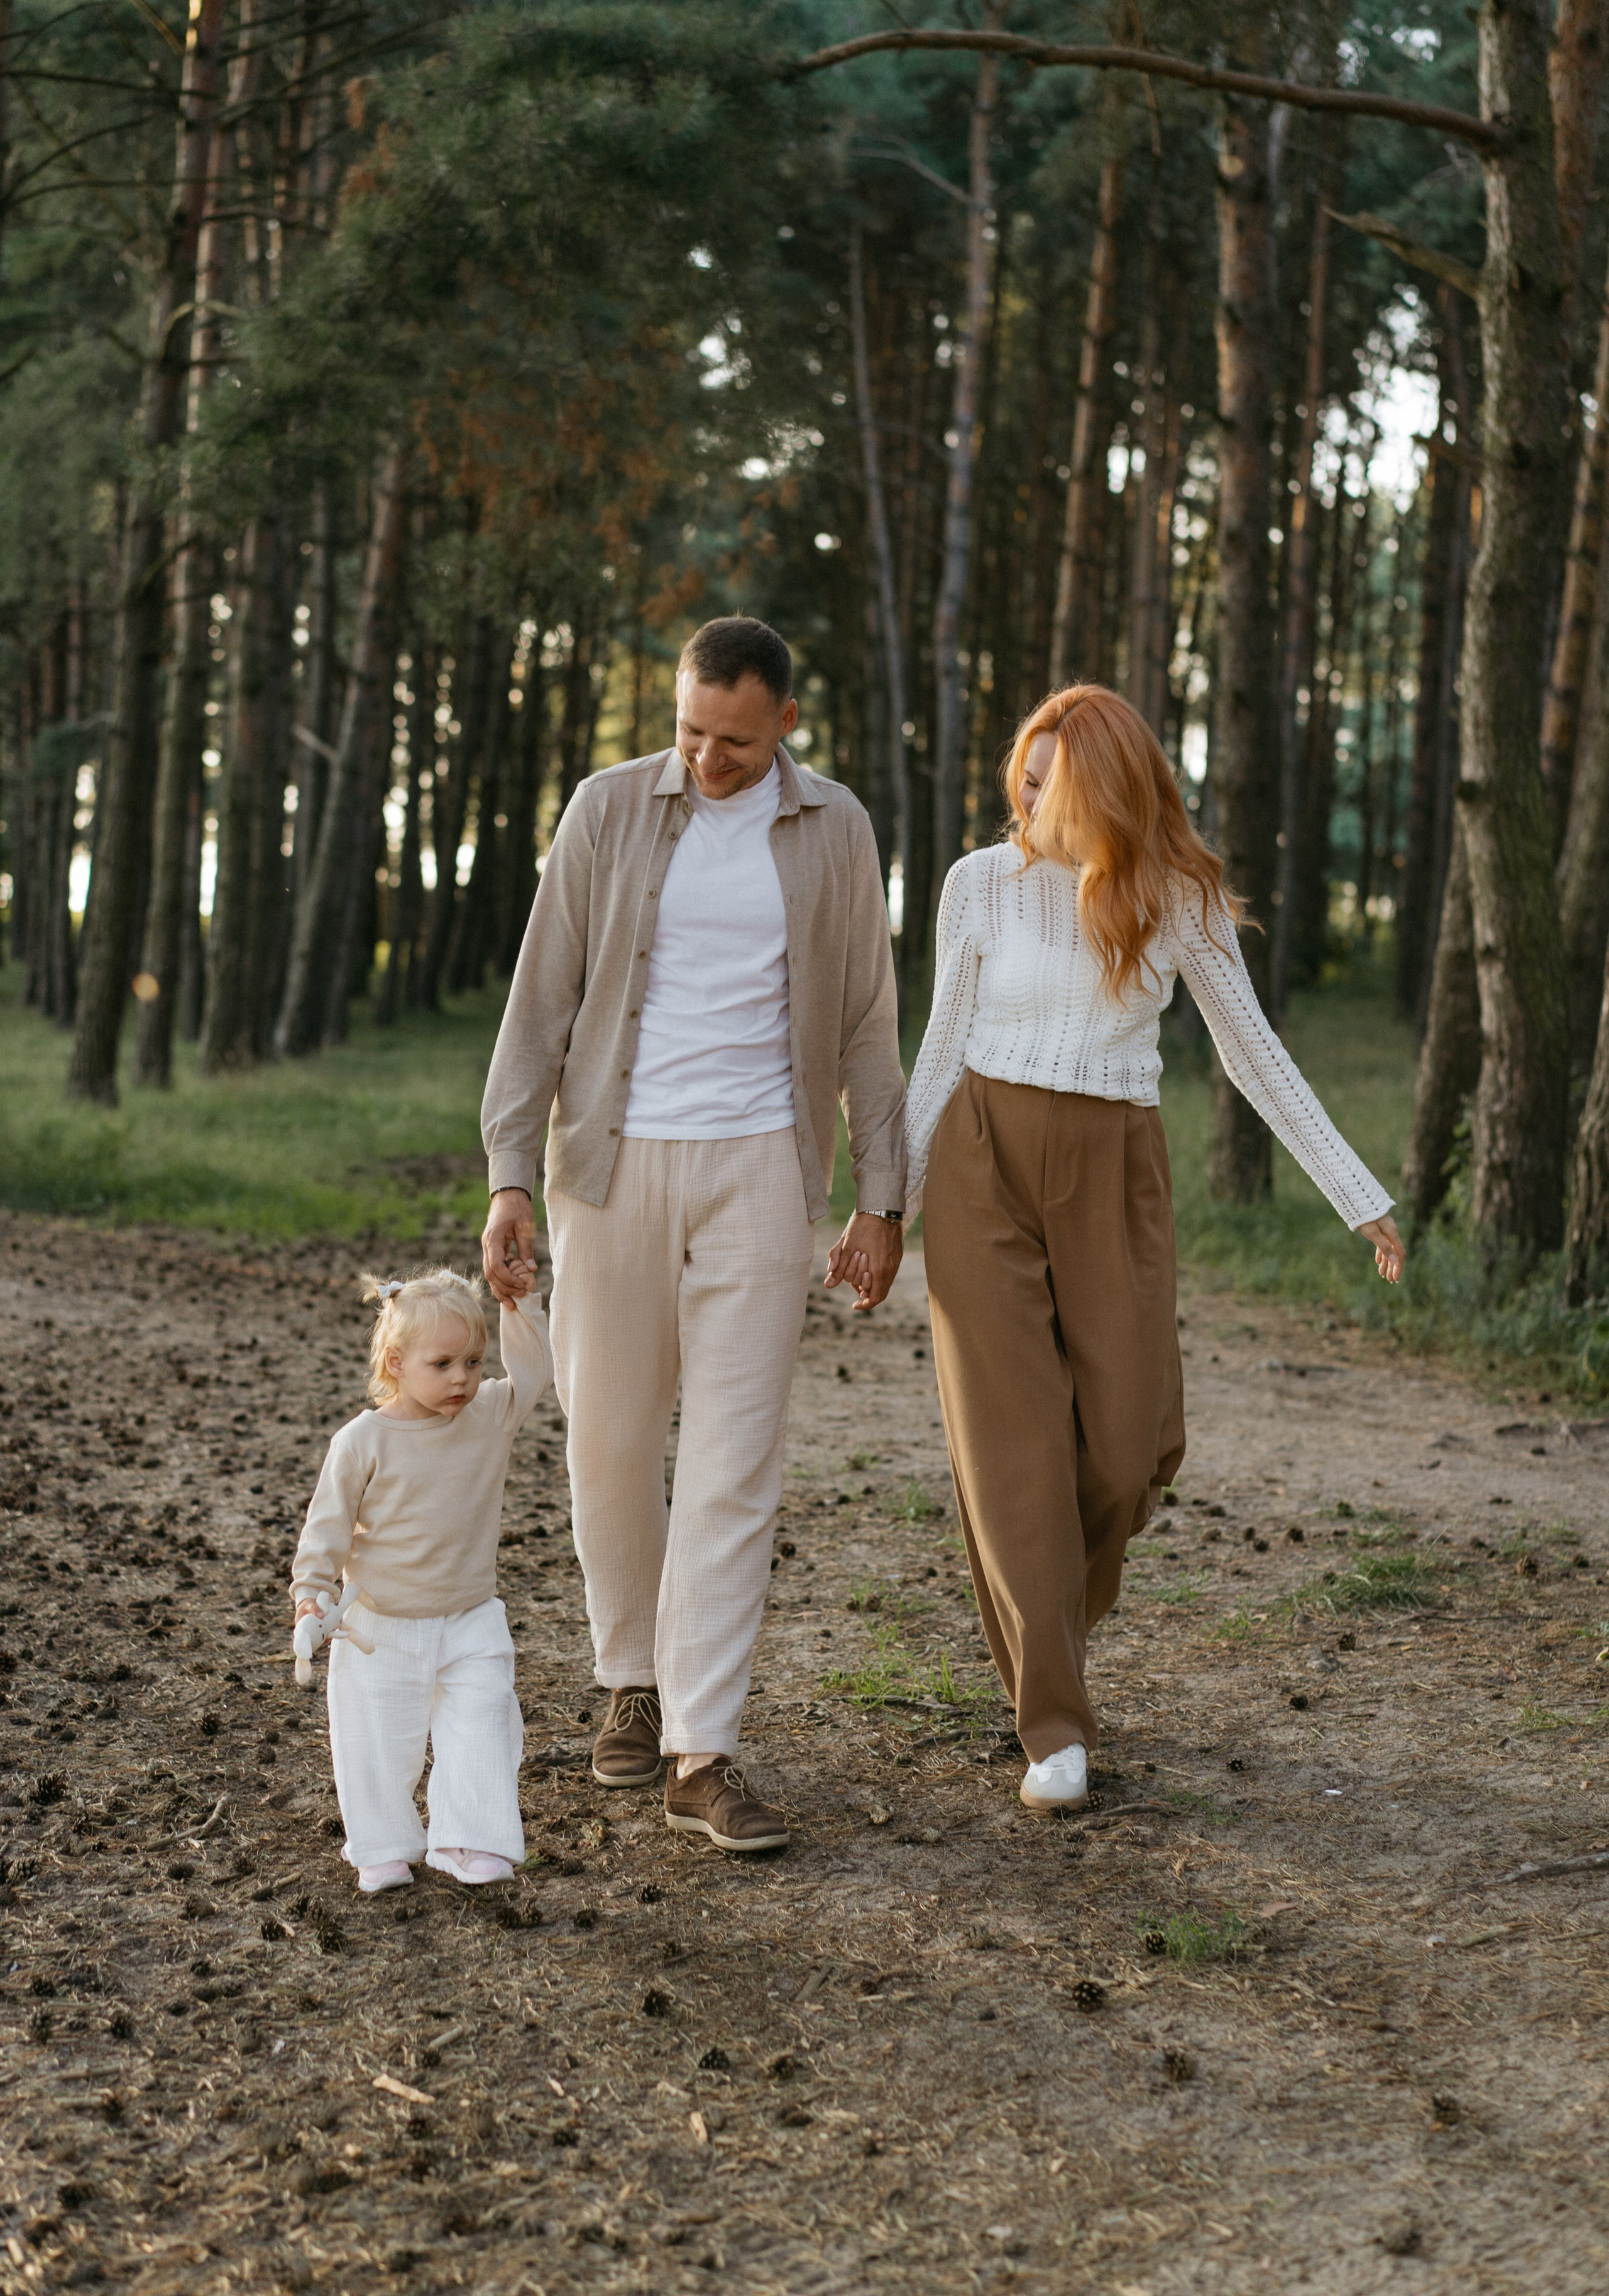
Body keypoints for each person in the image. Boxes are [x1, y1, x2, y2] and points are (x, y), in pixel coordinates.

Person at [906, 686, 1405, 1815]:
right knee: (1014, 1449)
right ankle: (1055, 1725)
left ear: (1104, 789)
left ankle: (1050, 1629)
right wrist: (883, 1206)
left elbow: (1254, 1056)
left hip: (1114, 1171)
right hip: (982, 1161)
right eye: (1018, 779)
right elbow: (937, 1050)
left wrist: (1355, 1194)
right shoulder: (978, 886)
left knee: (1127, 1455)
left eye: (1048, 784)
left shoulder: (1174, 899)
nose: (1023, 800)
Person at [480, 615, 906, 1856]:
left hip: (763, 1170)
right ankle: (630, 1680)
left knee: (733, 1462)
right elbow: (537, 996)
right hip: (610, 1165)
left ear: (783, 725)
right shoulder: (609, 811)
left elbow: (871, 1023)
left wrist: (881, 1196)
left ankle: (700, 1750)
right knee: (609, 1442)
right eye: (687, 733)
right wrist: (511, 1174)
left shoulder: (835, 832)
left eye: (731, 740)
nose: (706, 761)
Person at [290, 1266, 553, 1894]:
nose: (462, 1377)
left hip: (471, 1617)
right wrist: (310, 1599)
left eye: (473, 1360)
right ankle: (383, 1845)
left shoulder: (489, 1413)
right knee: (378, 1740)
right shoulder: (361, 1442)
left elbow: (537, 1371)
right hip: (380, 1625)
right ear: (396, 1361)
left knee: (483, 1725)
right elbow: (326, 1531)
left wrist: (517, 1305)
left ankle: (467, 1838)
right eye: (442, 1364)